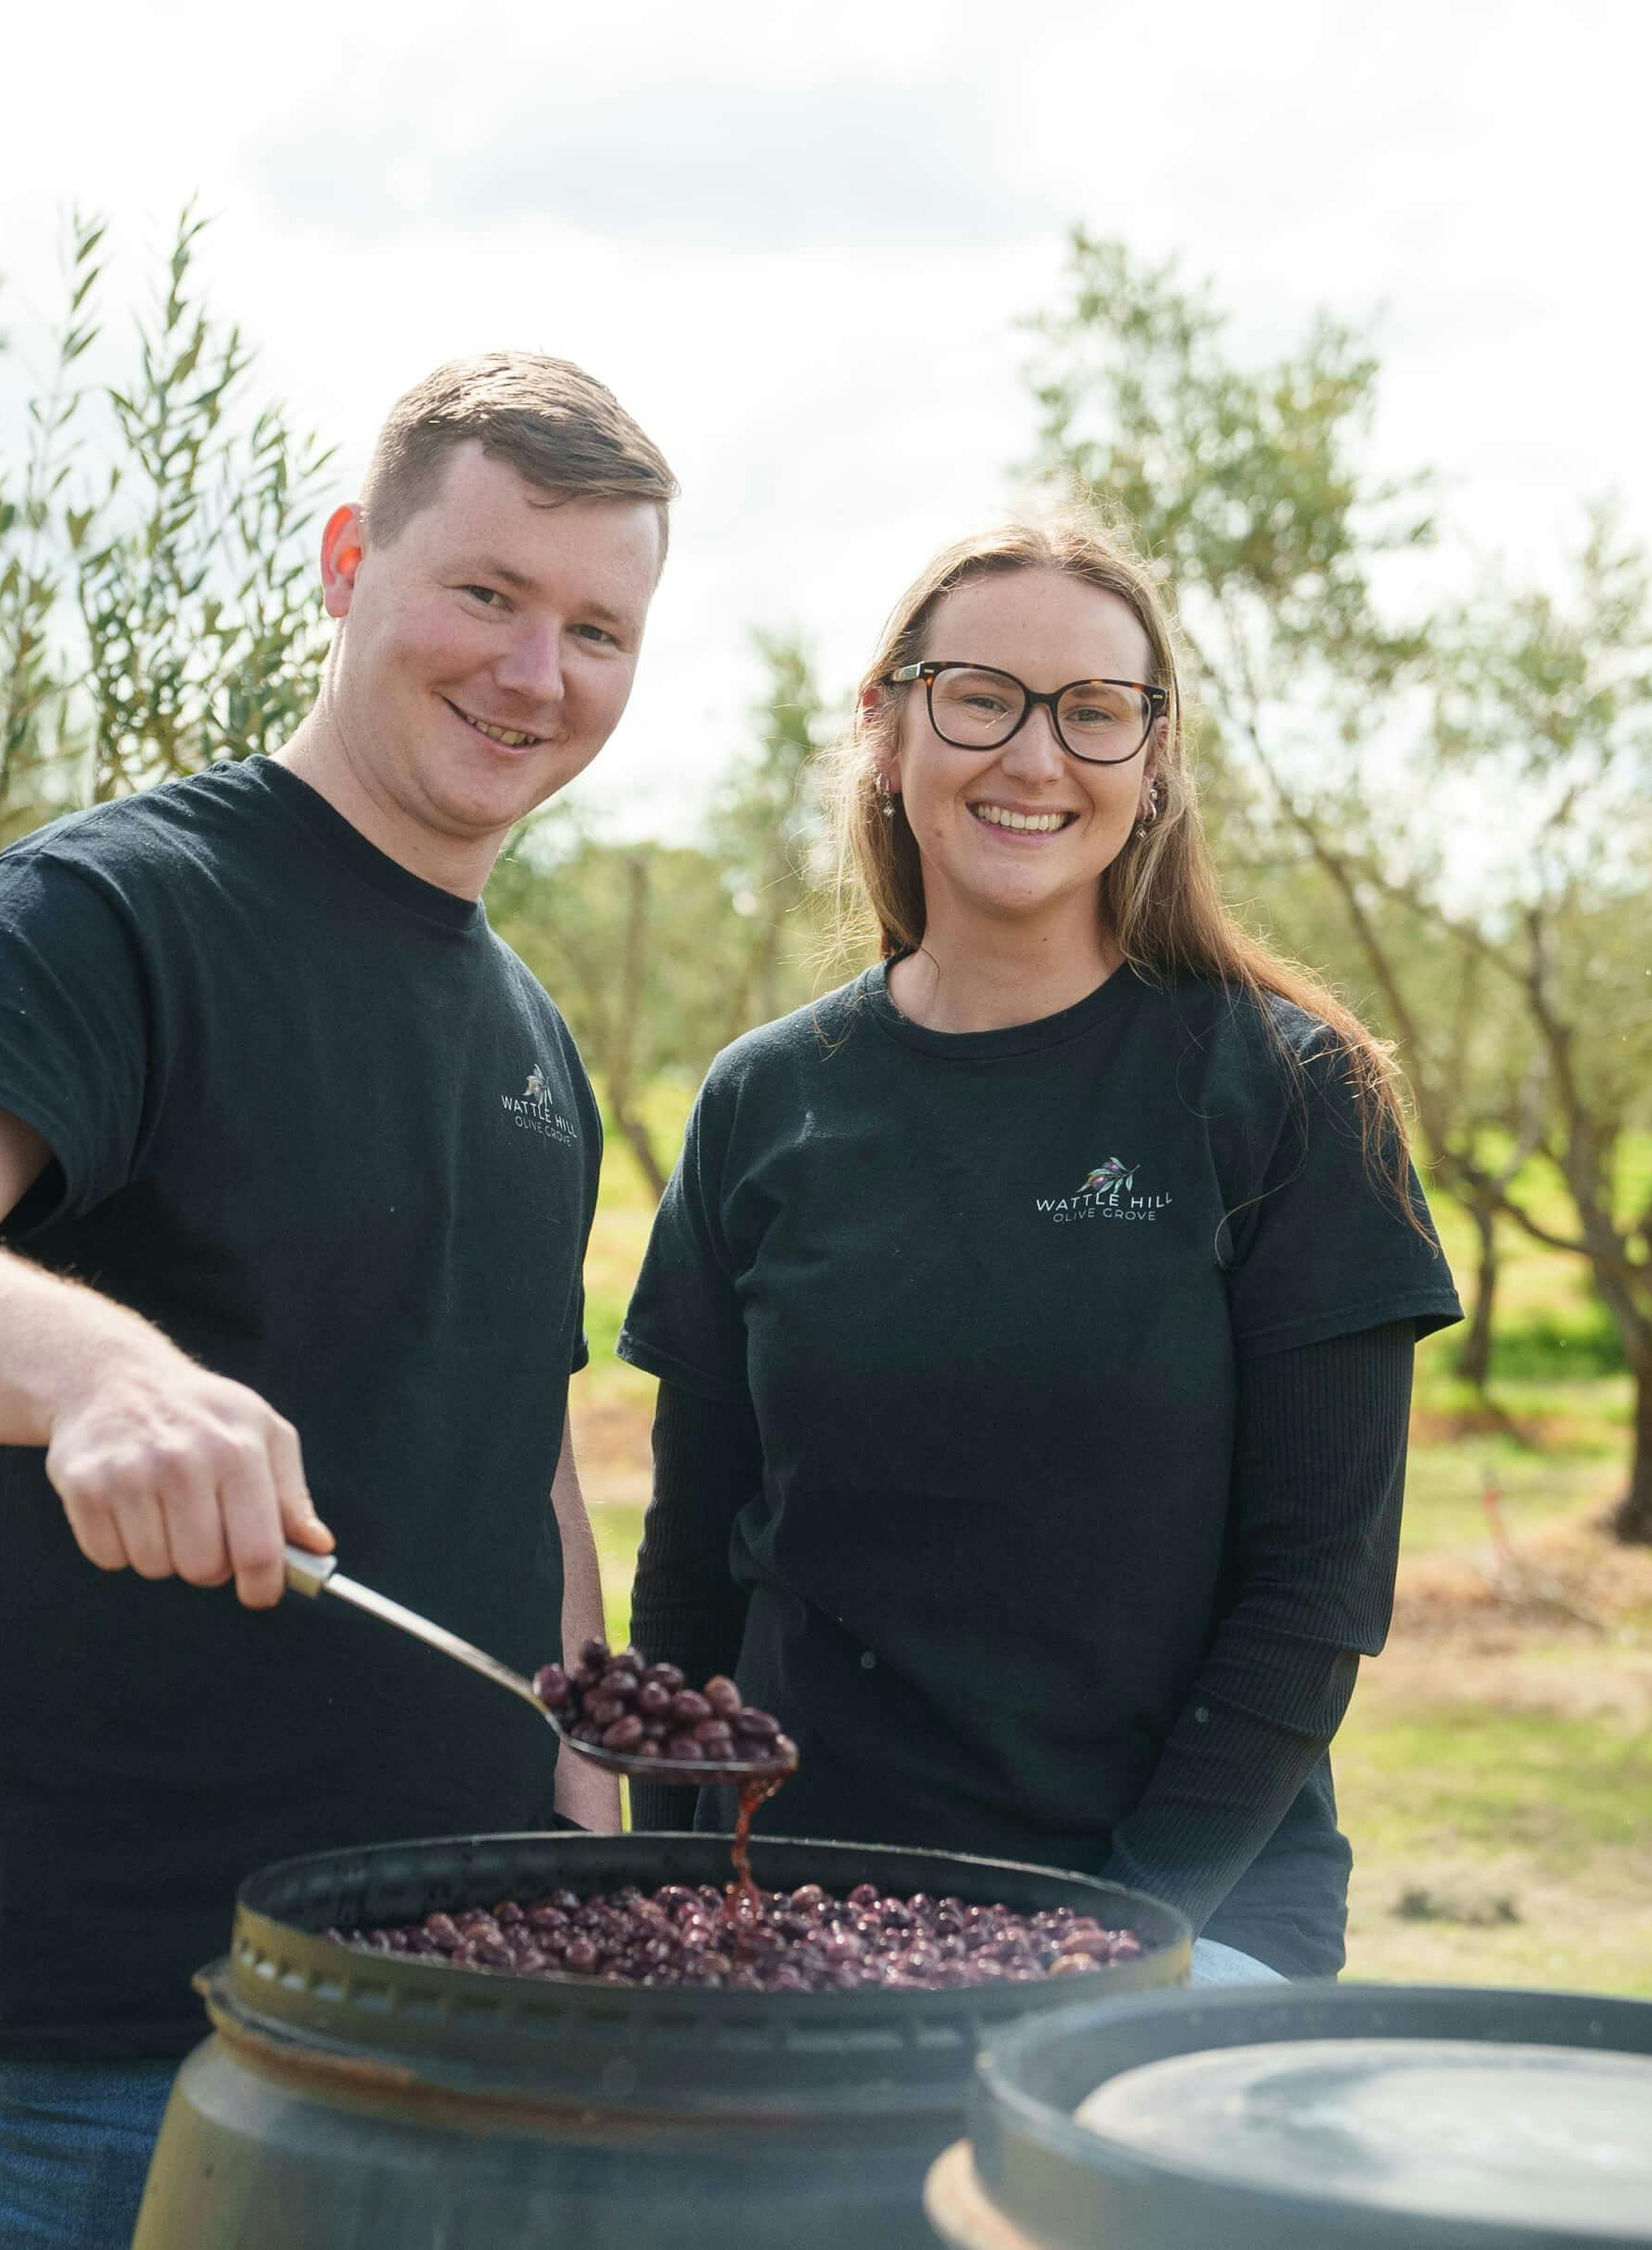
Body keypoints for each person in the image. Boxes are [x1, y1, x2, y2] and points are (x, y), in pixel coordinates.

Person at [0, 354, 674, 2249]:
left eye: (596, 627)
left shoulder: (531, 1033)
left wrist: (586, 1798)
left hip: (460, 2005)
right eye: (485, 594)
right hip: (118, 2043)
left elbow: (520, 1450)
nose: (533, 671)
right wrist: (97, 1367)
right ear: (348, 563)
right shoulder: (114, 914)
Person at [617, 513, 1459, 1986]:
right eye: (982, 695)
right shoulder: (765, 1098)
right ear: (887, 729)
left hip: (1177, 1923)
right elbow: (693, 1568)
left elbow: (1314, 1596)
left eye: (1093, 713)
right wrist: (686, 1890)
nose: (1035, 755)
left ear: (1153, 764)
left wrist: (1105, 1941)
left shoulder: (1290, 1093)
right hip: (810, 1912)